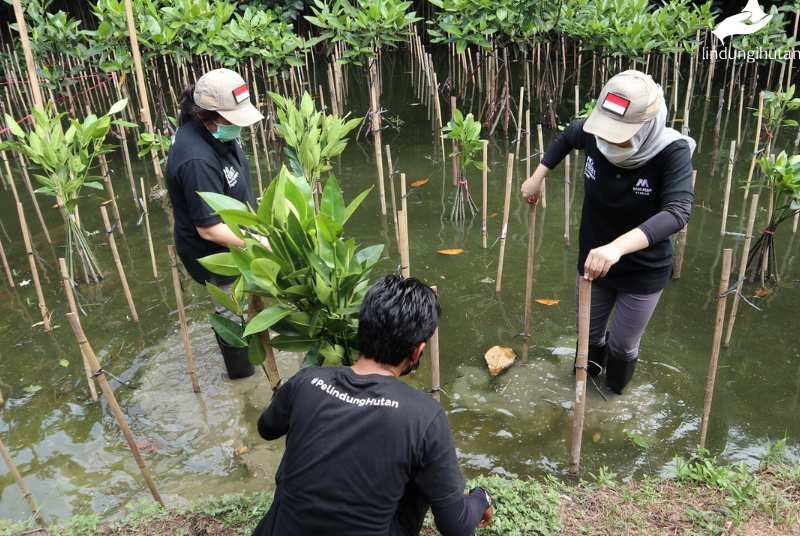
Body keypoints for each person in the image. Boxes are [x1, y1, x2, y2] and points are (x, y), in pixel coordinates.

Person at [252, 275, 494, 536]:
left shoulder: (308, 381)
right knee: (420, 461)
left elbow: (267, 428)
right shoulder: (425, 416)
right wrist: (482, 498)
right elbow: (456, 527)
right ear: (417, 351)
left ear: (362, 329)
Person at [521, 70, 695, 394]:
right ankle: (582, 392)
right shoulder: (593, 132)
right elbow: (566, 138)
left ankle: (613, 397)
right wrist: (538, 176)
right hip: (593, 260)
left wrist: (616, 248)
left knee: (624, 347)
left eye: (622, 132)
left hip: (643, 268)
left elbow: (677, 212)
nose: (612, 139)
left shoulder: (671, 151)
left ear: (646, 124)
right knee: (588, 336)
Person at [166, 68, 263, 379]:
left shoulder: (214, 130)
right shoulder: (196, 159)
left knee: (252, 306)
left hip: (239, 234)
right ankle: (243, 380)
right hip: (214, 252)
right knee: (231, 314)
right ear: (209, 115)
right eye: (233, 118)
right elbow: (208, 227)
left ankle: (258, 346)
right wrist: (258, 243)